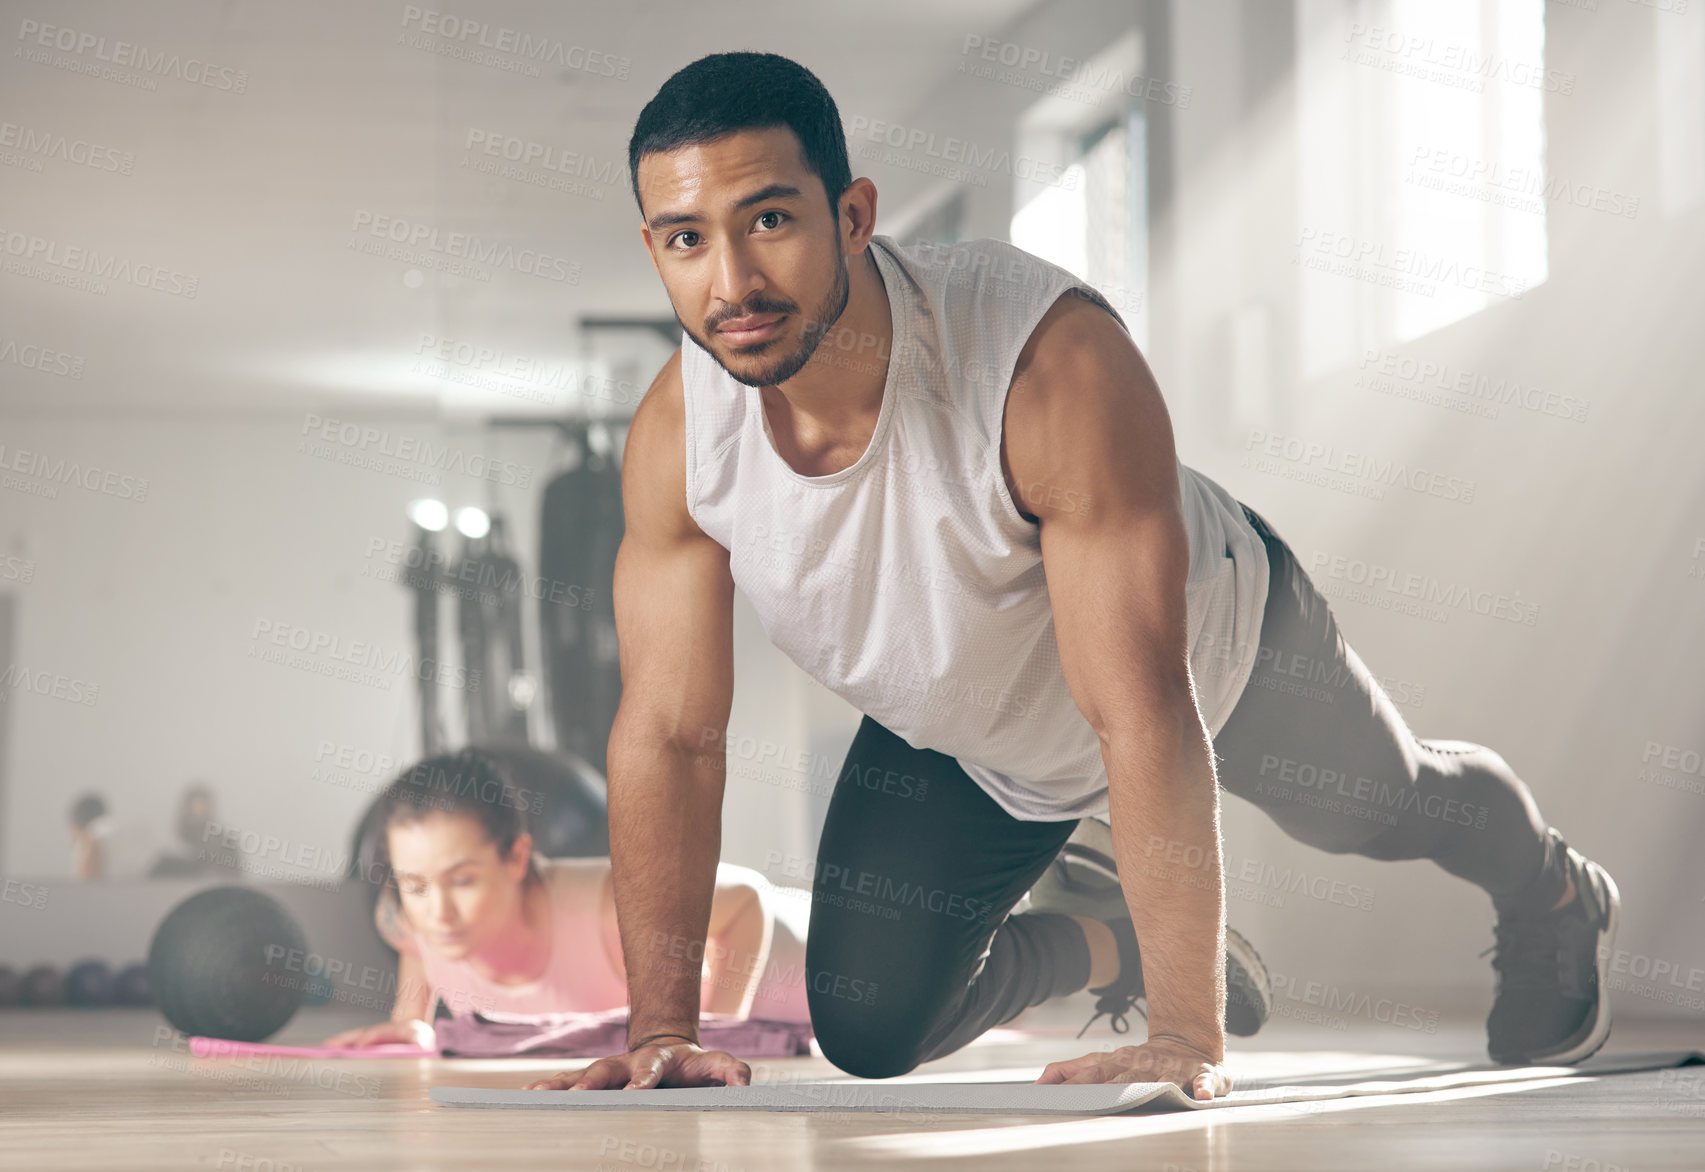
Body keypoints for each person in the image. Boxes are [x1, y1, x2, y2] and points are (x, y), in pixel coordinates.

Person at [527, 51, 1620, 1101]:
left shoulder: (1042, 362)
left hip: (1213, 659)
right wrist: (661, 1029)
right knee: (867, 1026)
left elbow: (1140, 707)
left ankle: (1549, 884)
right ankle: (1111, 936)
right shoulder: (681, 434)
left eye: (769, 219)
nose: (732, 281)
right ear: (653, 247)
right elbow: (669, 733)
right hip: (965, 729)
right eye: (685, 238)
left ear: (852, 216)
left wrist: (1184, 1035)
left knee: (1388, 805)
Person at [324, 750, 809, 1049]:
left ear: (516, 858)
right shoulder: (412, 920)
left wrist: (717, 1031)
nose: (438, 912)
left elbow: (747, 900)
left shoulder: (606, 906)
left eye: (464, 880)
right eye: (416, 885)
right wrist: (409, 1020)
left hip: (816, 962)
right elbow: (415, 940)